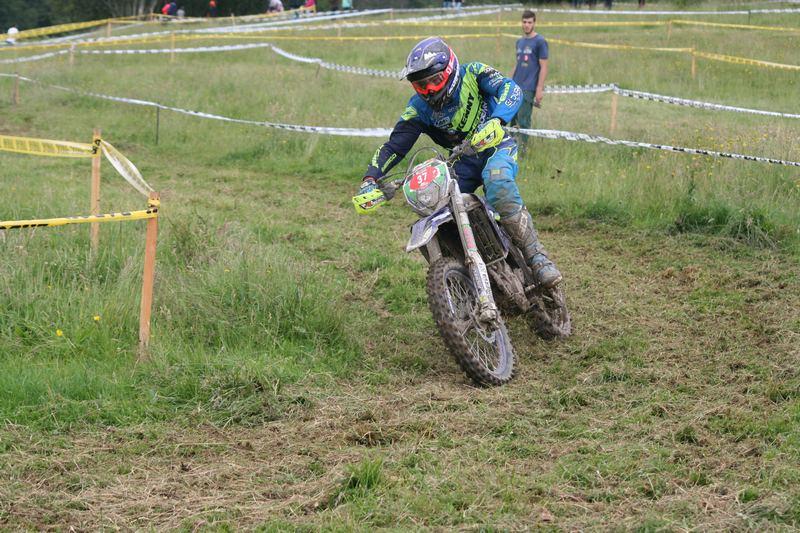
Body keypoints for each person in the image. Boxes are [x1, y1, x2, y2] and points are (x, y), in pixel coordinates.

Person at [355, 37, 562, 288]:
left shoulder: (473, 73)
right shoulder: (418, 108)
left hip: (496, 145)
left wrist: (497, 120)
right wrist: (370, 179)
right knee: (435, 207)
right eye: (421, 85)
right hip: (461, 161)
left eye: (434, 81)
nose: (429, 90)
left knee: (497, 181)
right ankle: (465, 277)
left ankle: (536, 257)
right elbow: (394, 146)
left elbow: (511, 89)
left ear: (450, 71)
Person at [511, 11, 548, 144]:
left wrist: (539, 88)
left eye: (529, 22)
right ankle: (511, 147)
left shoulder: (540, 42)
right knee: (512, 118)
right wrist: (509, 82)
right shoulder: (519, 42)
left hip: (529, 87)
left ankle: (523, 147)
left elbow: (544, 67)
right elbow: (517, 63)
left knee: (523, 119)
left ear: (534, 23)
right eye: (524, 22)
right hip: (516, 85)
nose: (526, 25)